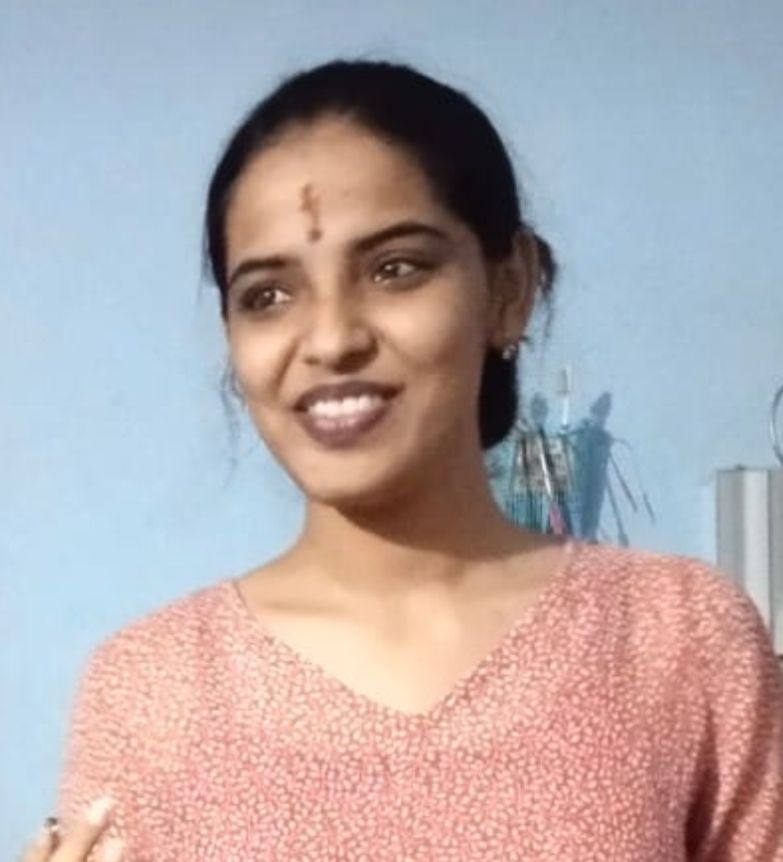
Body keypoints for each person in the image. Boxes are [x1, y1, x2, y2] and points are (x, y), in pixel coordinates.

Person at [22, 59, 783, 861]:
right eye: (267, 296)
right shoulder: (151, 692)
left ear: (509, 288)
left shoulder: (675, 638)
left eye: (394, 269)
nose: (330, 339)